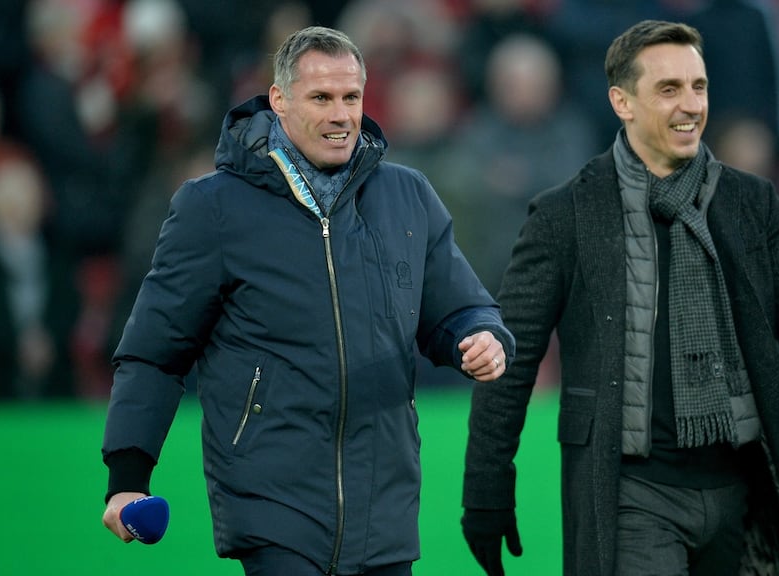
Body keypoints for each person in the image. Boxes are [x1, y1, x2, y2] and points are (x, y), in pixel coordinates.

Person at [461, 20, 779, 576]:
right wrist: (486, 484)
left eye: (699, 86)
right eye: (669, 89)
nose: (690, 105)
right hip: (631, 496)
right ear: (621, 102)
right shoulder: (565, 215)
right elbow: (512, 354)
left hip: (745, 488)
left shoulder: (752, 202)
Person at [101, 26, 514, 576]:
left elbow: (460, 307)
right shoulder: (212, 208)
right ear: (279, 101)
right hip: (271, 500)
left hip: (385, 501)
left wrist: (481, 336)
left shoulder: (409, 195)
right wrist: (128, 479)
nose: (341, 114)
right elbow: (155, 350)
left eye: (351, 97)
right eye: (321, 98)